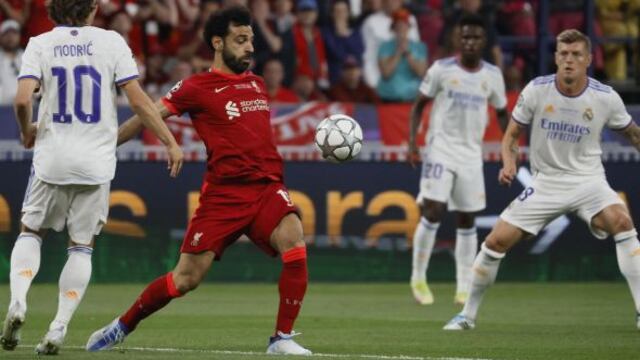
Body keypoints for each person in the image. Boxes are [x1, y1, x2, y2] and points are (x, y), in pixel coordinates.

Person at [85, 6, 312, 356]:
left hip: (267, 186)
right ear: (218, 43)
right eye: (241, 40)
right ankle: (122, 325)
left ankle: (281, 338)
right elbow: (147, 114)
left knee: (294, 239)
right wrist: (103, 146)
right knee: (184, 280)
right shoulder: (196, 87)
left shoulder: (258, 83)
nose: (250, 47)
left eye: (251, 39)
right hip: (224, 195)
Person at [0, 0, 184, 355]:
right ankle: (59, 326)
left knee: (32, 231)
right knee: (81, 246)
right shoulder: (112, 42)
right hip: (96, 161)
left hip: (52, 157)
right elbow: (140, 101)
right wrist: (170, 141)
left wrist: (26, 132)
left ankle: (19, 301)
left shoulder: (40, 43)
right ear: (93, 8)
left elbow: (23, 100)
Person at [443, 29, 640, 330]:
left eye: (576, 55)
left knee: (622, 222)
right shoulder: (537, 90)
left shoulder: (605, 97)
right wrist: (508, 164)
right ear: (556, 58)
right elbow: (511, 135)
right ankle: (466, 316)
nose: (569, 60)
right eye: (563, 54)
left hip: (589, 181)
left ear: (588, 59)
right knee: (495, 242)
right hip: (545, 183)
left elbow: (633, 133)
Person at [408, 13, 509, 306]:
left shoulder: (492, 76)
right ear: (457, 39)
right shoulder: (441, 69)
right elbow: (419, 105)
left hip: (470, 154)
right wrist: (412, 142)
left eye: (475, 37)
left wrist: (508, 150)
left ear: (484, 41)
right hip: (440, 147)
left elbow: (502, 111)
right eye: (464, 36)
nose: (469, 42)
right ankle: (418, 277)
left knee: (467, 219)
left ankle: (463, 285)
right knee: (434, 210)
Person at [376, 8, 427, 102]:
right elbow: (386, 73)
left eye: (404, 26)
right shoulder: (384, 47)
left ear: (409, 28)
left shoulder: (420, 47)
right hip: (388, 98)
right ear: (393, 29)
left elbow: (421, 73)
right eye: (398, 27)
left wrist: (408, 54)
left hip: (412, 98)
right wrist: (398, 53)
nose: (401, 30)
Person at [0, 19, 23, 105]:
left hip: (26, 109)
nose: (10, 37)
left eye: (14, 33)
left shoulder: (28, 57)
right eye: (6, 33)